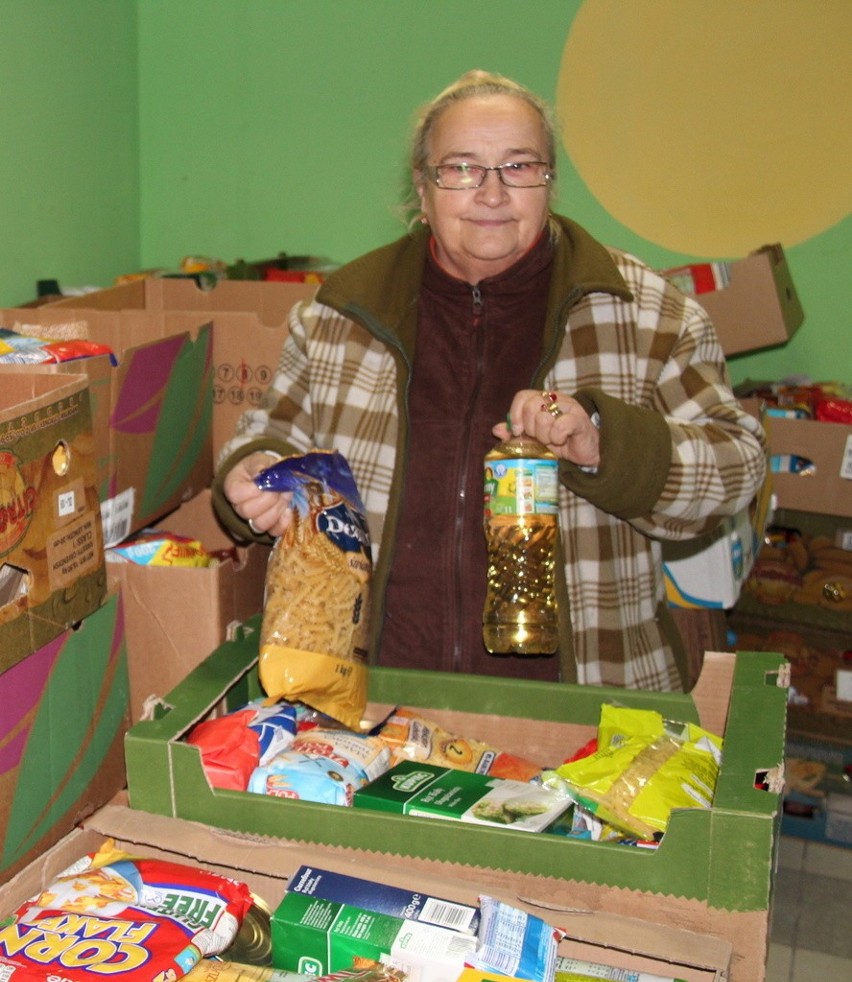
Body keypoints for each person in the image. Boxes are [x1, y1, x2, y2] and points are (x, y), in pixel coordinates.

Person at [212, 69, 766, 692]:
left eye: (520, 166)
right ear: (422, 190)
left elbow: (738, 468)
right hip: (371, 701)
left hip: (587, 712)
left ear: (549, 184)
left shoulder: (647, 313)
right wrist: (254, 471)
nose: (493, 194)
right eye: (461, 168)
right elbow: (272, 434)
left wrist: (604, 442)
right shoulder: (342, 313)